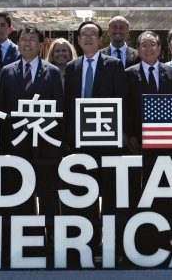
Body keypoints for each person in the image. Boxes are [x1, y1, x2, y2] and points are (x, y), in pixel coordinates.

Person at [62, 20, 126, 247]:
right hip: (79, 140)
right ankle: (89, 239)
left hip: (107, 138)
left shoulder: (114, 65)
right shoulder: (72, 67)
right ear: (78, 40)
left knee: (108, 191)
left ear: (100, 40)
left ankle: (110, 240)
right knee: (84, 190)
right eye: (84, 34)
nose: (88, 38)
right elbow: (68, 104)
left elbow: (122, 100)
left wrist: (121, 132)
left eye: (92, 34)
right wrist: (67, 137)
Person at [123, 30, 172, 251]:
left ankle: (165, 236)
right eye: (144, 45)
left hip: (167, 144)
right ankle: (141, 237)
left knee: (164, 191)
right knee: (139, 191)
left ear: (160, 48)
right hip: (137, 144)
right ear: (138, 50)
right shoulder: (128, 74)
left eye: (153, 44)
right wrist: (130, 135)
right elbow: (126, 108)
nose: (149, 49)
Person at [0, 25, 64, 219]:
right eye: (23, 39)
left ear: (41, 45)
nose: (27, 43)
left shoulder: (52, 72)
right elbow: (1, 107)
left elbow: (59, 108)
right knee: (20, 190)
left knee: (48, 191)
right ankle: (24, 230)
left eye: (32, 39)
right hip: (16, 142)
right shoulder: (7, 71)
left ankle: (50, 230)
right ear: (18, 44)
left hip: (46, 142)